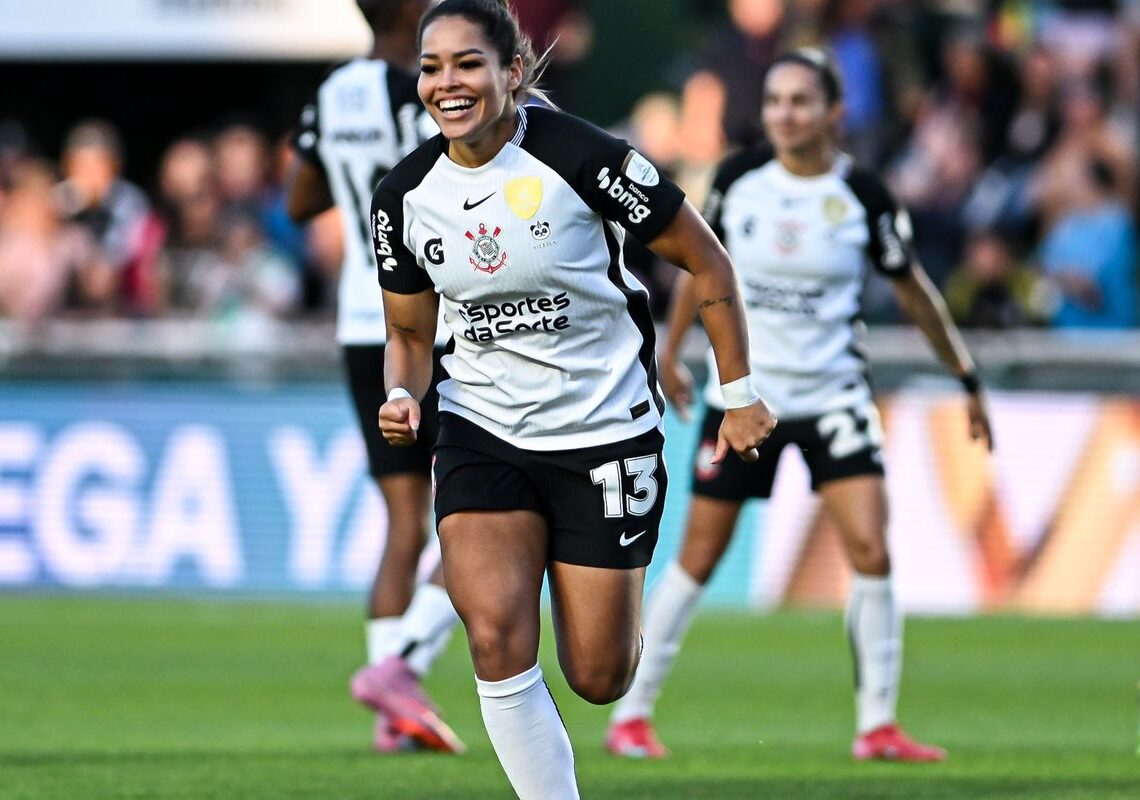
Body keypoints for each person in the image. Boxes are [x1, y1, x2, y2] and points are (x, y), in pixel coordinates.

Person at [373, 1, 777, 796]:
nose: (446, 83)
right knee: (494, 635)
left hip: (603, 432)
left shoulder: (584, 157)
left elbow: (710, 262)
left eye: (467, 64)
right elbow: (412, 336)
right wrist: (400, 392)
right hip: (480, 426)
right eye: (431, 67)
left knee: (598, 674)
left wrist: (740, 393)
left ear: (512, 73)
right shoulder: (405, 196)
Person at [606, 48, 993, 763]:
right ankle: (631, 714)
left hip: (836, 397)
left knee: (872, 550)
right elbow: (702, 267)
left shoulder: (865, 196)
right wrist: (671, 349)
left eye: (801, 101)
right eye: (777, 100)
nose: (785, 113)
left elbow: (915, 293)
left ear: (833, 113)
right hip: (749, 400)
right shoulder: (738, 180)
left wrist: (965, 376)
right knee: (697, 556)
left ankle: (877, 726)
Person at [286, 0, 464, 755]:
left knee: (402, 523)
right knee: (494, 508)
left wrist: (354, 182)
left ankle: (394, 718)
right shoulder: (433, 90)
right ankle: (401, 669)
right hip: (435, 324)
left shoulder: (335, 90)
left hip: (361, 321)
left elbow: (300, 198)